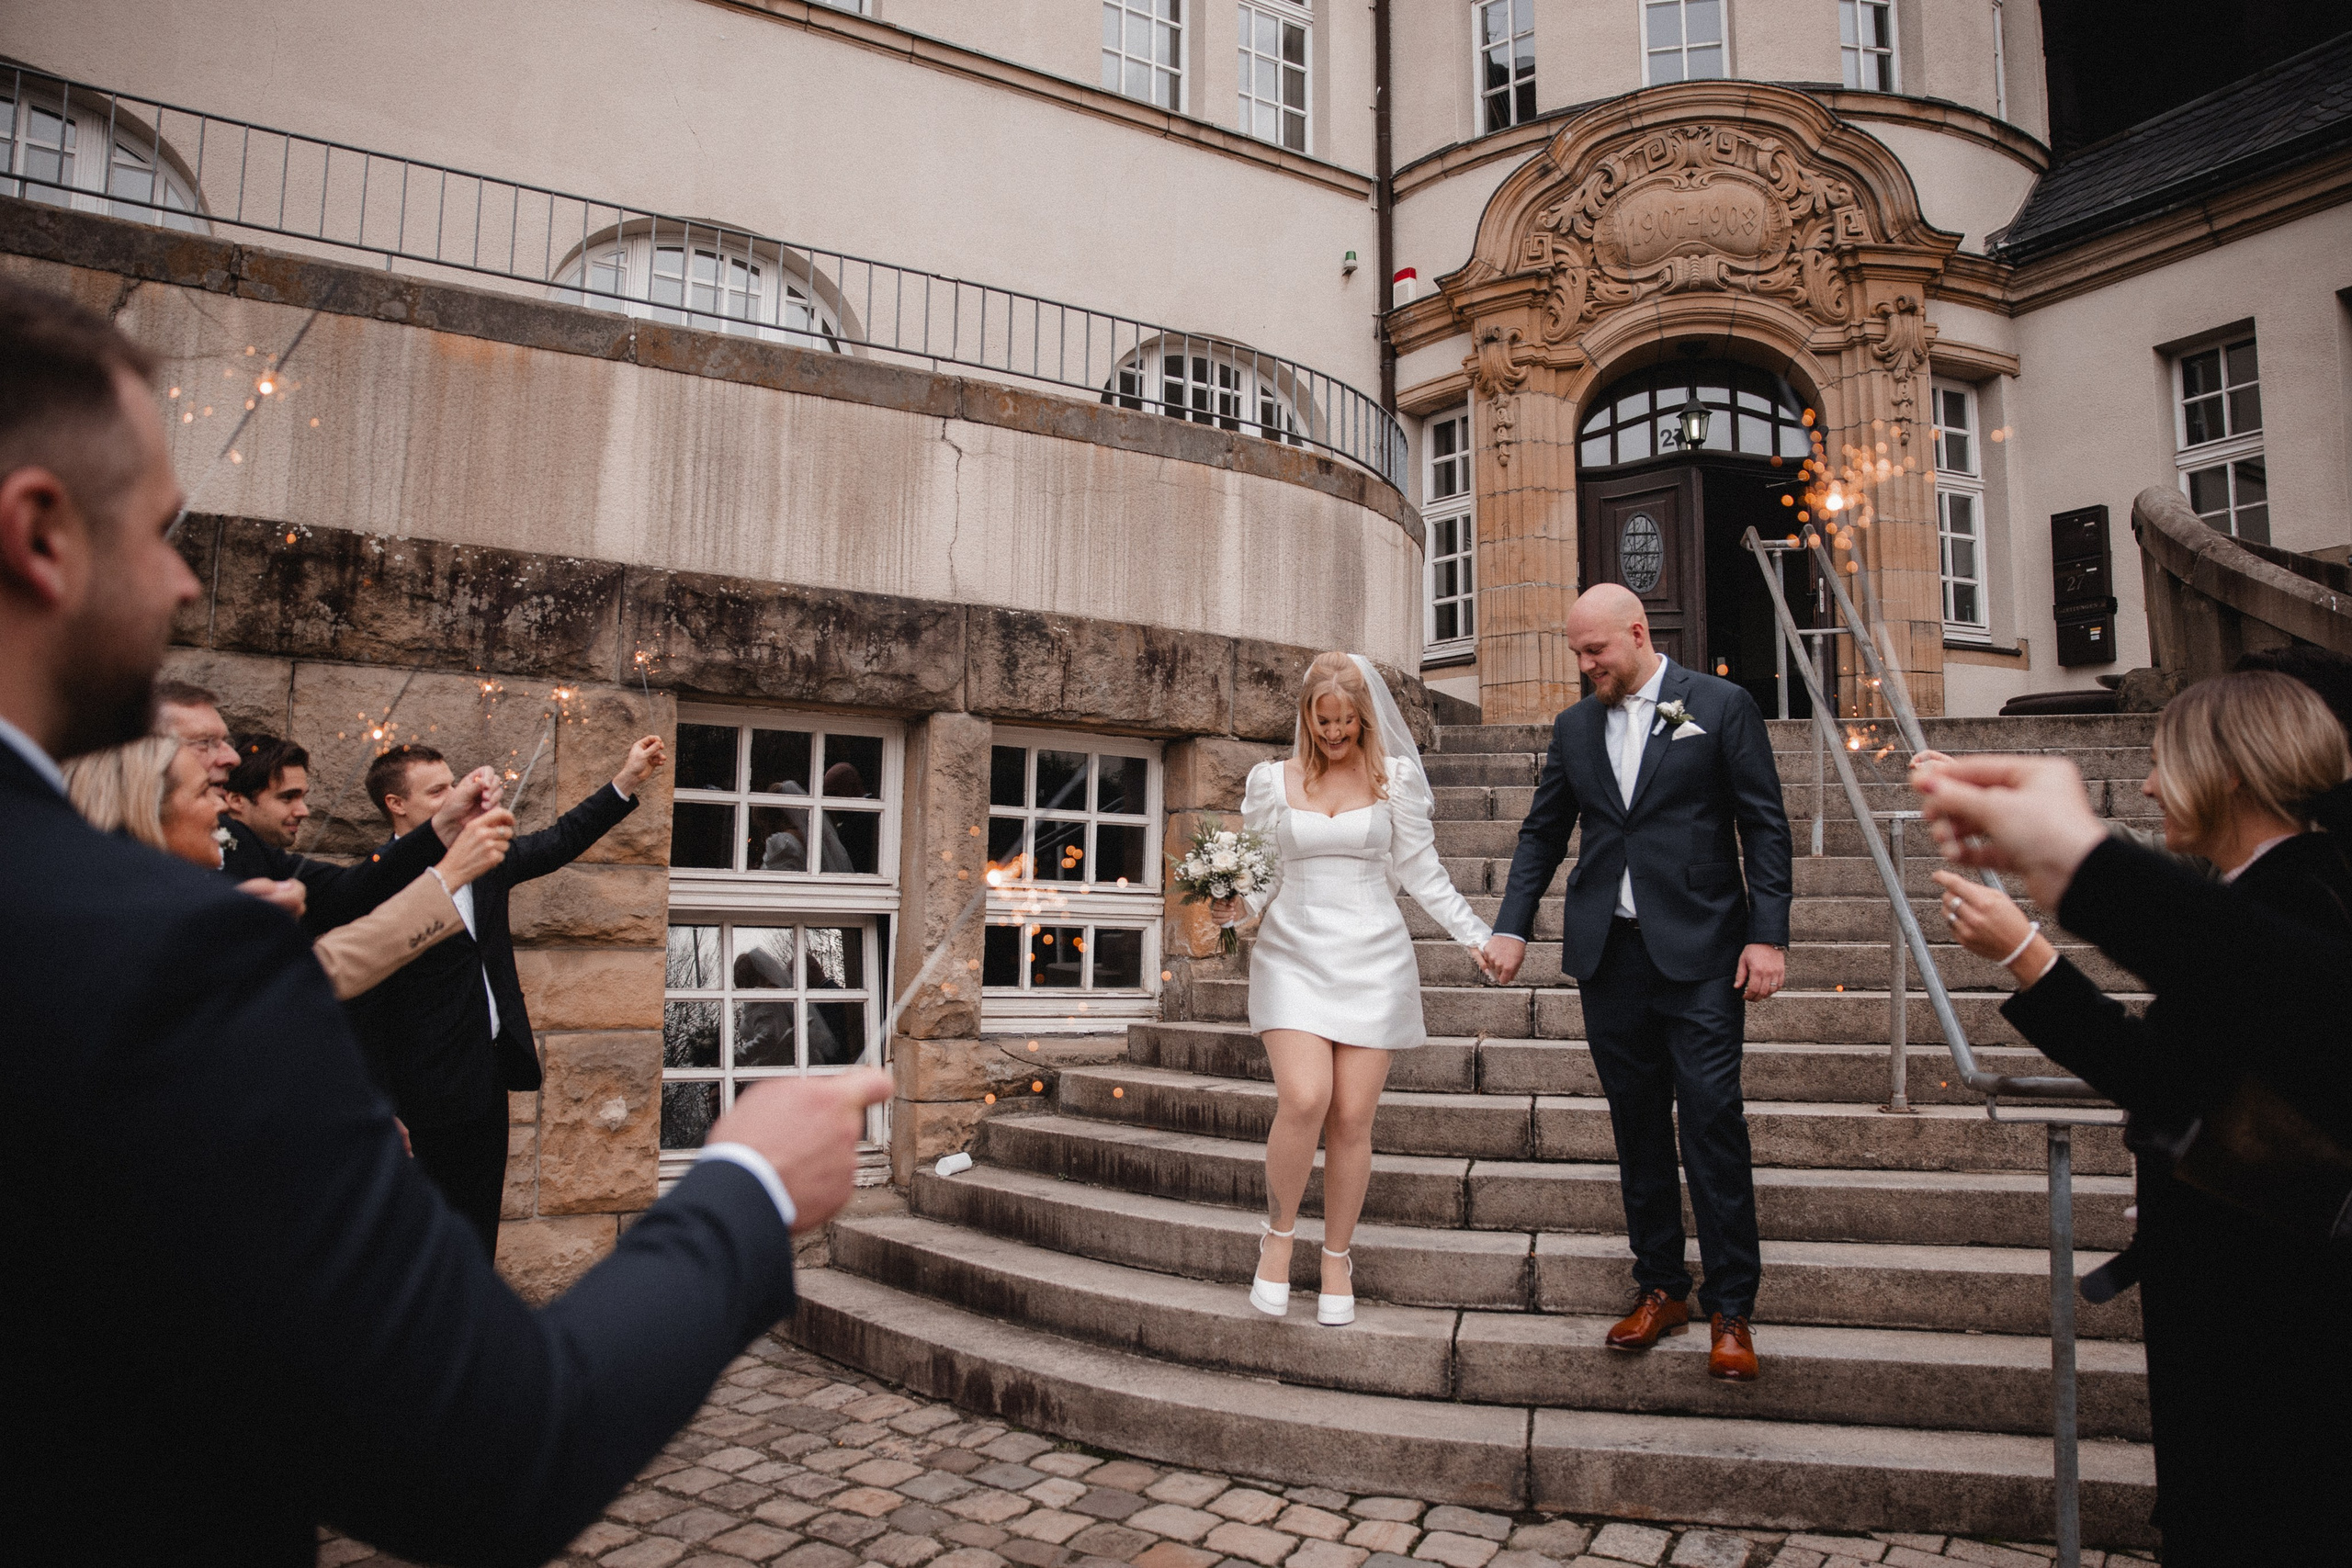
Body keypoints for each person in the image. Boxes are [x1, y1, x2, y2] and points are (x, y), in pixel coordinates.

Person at [0, 275, 889, 1564]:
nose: (185, 584)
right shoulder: (157, 951)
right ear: (40, 535)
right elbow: (493, 1449)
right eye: (158, 530)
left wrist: (612, 788)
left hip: (480, 1088)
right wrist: (746, 1182)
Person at [1928, 671, 2352, 1566]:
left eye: (2164, 762)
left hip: (2274, 1332)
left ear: (2226, 773)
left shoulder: (2300, 899)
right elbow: (2188, 1082)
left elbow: (2199, 1058)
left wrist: (2055, 903)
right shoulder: (2282, 892)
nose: (2151, 786)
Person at [1482, 584, 1792, 1381]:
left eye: (1596, 651)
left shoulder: (1719, 706)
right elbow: (1544, 832)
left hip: (1703, 954)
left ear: (1638, 632)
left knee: (1712, 1121)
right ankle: (1661, 1285)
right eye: (1577, 653)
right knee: (1638, 1124)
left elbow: (1764, 824)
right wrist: (1512, 924)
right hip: (1609, 958)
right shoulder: (1575, 726)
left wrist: (1767, 935)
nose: (1586, 666)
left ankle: (1732, 1307)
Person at [1207, 653, 1493, 1327]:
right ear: (1307, 718)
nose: (1334, 733)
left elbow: (1422, 873)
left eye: (1345, 722)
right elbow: (1262, 876)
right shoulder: (1272, 781)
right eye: (1323, 721)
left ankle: (1337, 1256)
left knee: (1352, 1118)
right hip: (1292, 956)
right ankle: (1278, 1239)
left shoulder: (1395, 780)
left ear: (1364, 719)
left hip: (1374, 958)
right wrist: (1233, 907)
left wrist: (1477, 935)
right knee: (1305, 1097)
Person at [350, 737, 667, 1257]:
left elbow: (559, 840)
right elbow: (364, 1007)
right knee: (414, 1239)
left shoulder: (484, 861)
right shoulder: (374, 881)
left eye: (453, 784)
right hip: (419, 1091)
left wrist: (627, 778)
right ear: (396, 804)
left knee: (477, 1231)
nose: (455, 797)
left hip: (486, 1077)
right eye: (437, 791)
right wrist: (381, 1105)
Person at [64, 732, 515, 1003]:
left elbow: (348, 893)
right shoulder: (118, 936)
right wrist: (450, 876)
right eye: (206, 793)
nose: (220, 809)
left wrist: (443, 826)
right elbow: (317, 973)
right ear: (147, 811)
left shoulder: (241, 855)